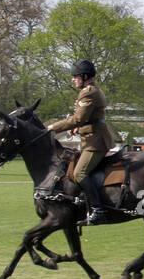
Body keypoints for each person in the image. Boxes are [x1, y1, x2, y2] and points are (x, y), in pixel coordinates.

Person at [47, 59, 112, 225]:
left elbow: (78, 118)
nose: (72, 79)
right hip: (92, 139)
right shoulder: (91, 91)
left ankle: (98, 209)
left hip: (95, 142)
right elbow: (87, 119)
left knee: (79, 173)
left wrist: (53, 127)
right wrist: (78, 128)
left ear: (84, 76)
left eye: (75, 76)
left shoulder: (88, 92)